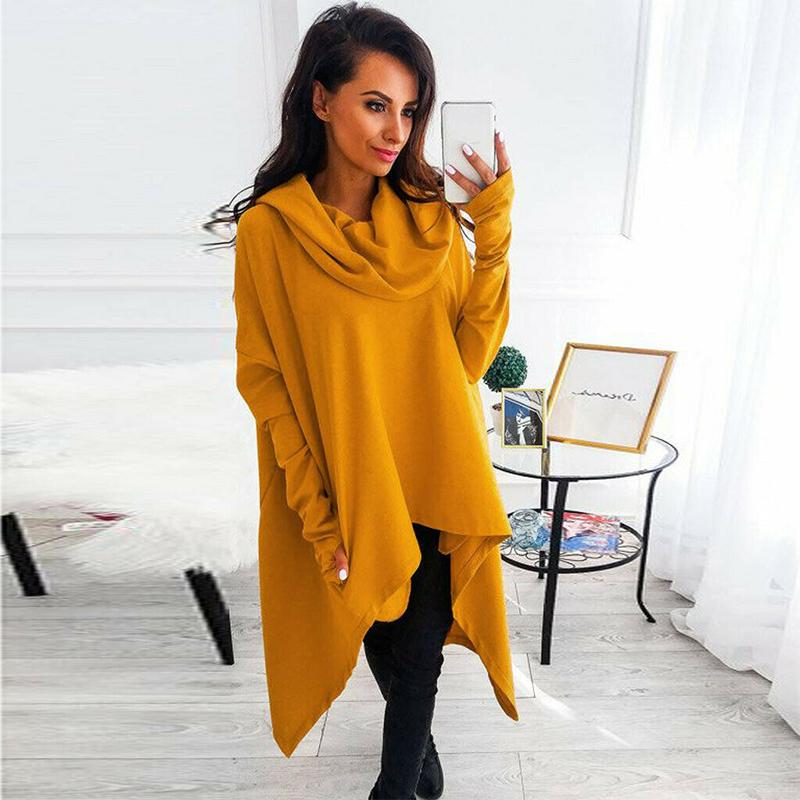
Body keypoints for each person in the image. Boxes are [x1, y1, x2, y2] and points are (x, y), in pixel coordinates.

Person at [208, 3, 519, 797]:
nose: (395, 130)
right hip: (352, 482)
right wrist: (319, 517)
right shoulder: (271, 233)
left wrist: (493, 236)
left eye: (409, 111)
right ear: (321, 99)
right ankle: (421, 756)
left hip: (438, 471)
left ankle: (400, 784)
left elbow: (466, 360)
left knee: (416, 651)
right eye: (376, 103)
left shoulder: (430, 220)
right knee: (385, 633)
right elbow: (268, 385)